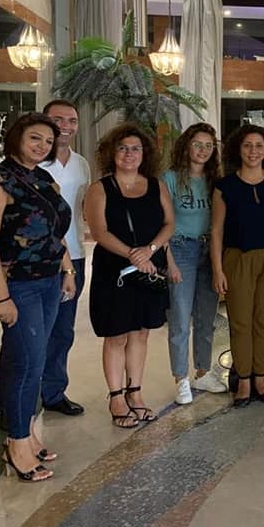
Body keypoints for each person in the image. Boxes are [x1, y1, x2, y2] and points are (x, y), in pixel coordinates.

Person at [0, 113, 74, 482]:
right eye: (35, 138)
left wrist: (67, 269)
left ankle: (27, 432)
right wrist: (1, 299)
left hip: (49, 281)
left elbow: (55, 231)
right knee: (25, 363)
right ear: (16, 137)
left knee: (37, 360)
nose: (42, 146)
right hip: (19, 285)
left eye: (48, 141)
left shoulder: (43, 179)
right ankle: (16, 445)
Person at [85, 123, 175, 428]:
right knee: (117, 334)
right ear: (112, 152)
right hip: (115, 271)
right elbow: (99, 231)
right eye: (122, 148)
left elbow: (169, 224)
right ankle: (116, 397)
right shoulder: (100, 188)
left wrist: (149, 250)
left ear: (144, 153)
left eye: (135, 148)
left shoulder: (156, 185)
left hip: (149, 269)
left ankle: (135, 392)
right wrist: (133, 254)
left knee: (140, 332)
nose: (129, 154)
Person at [212, 124, 264, 407]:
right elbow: (217, 231)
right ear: (238, 149)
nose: (253, 151)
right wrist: (218, 269)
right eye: (247, 145)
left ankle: (261, 376)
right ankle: (244, 380)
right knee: (240, 322)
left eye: (259, 145)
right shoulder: (224, 187)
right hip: (237, 259)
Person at [161, 123, 227, 405]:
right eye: (197, 144)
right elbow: (162, 223)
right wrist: (170, 262)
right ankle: (181, 378)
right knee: (179, 318)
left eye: (208, 146)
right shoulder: (170, 178)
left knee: (206, 318)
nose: (203, 150)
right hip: (181, 249)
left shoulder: (216, 180)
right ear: (186, 146)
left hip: (209, 250)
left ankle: (202, 371)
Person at [37, 99, 90, 417]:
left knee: (62, 330)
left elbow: (82, 209)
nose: (65, 126)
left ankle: (53, 392)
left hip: (76, 257)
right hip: (41, 258)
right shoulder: (34, 163)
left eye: (72, 120)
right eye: (58, 120)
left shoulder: (82, 164)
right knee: (32, 331)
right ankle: (21, 399)